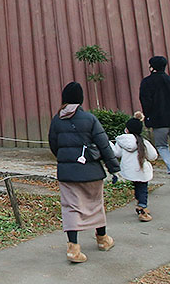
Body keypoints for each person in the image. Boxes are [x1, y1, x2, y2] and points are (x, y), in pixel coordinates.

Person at [48, 81, 120, 264]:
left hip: (67, 173)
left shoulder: (56, 120)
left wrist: (66, 158)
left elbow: (53, 145)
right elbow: (104, 145)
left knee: (71, 208)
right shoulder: (89, 119)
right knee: (96, 204)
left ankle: (73, 248)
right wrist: (113, 169)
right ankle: (103, 239)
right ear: (80, 100)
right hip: (91, 171)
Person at [140, 55, 170, 195]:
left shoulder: (147, 82)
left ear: (152, 67)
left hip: (159, 122)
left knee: (162, 146)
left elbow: (146, 103)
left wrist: (148, 119)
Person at [111, 112, 158, 222]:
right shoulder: (143, 142)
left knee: (137, 186)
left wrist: (109, 144)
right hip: (142, 169)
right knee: (142, 188)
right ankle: (142, 208)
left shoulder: (121, 141)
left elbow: (116, 153)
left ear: (127, 130)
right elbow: (153, 156)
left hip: (128, 170)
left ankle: (140, 205)